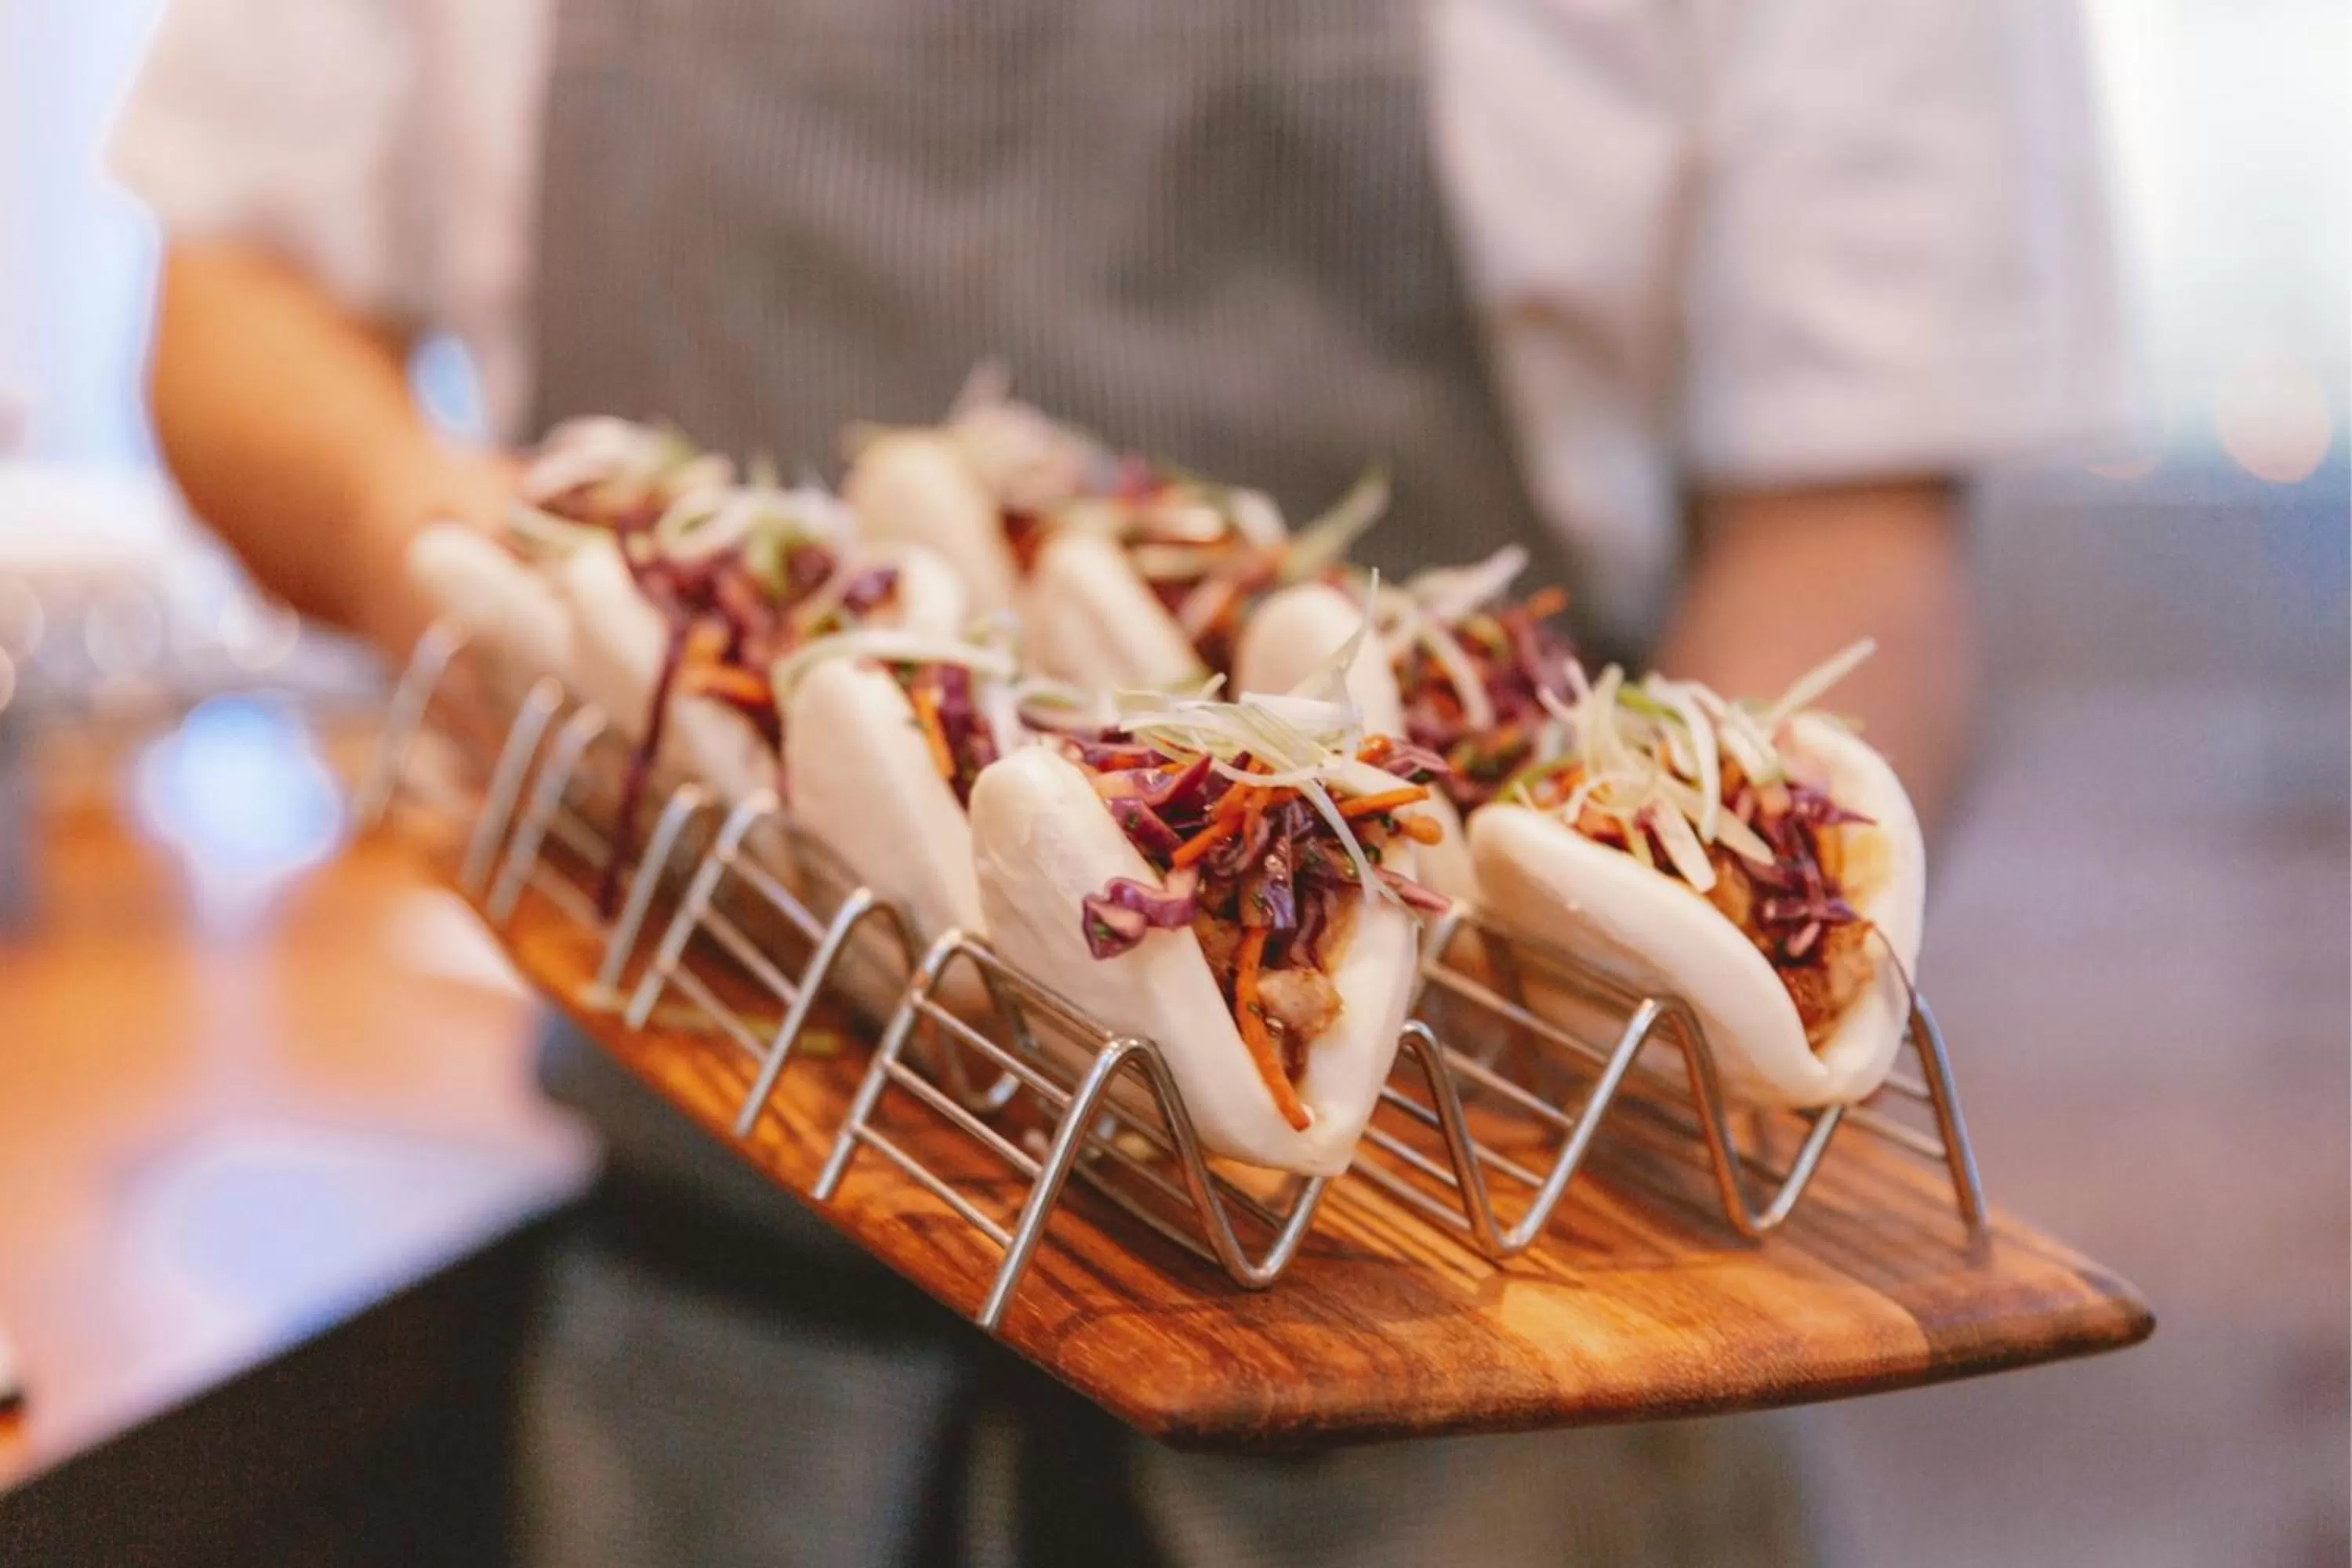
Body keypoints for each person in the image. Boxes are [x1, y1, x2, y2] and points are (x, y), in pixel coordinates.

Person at [114, 2, 2128, 1563]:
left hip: (1496, 1378)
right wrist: (492, 569)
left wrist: (1658, 951)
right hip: (721, 1330)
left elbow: (1857, 518)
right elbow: (240, 299)